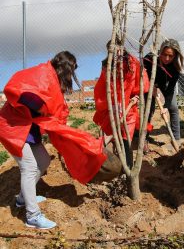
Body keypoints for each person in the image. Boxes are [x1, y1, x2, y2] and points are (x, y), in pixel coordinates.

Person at [0, 51, 111, 229]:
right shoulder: (43, 75)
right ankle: (32, 216)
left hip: (29, 128)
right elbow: (17, 89)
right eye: (72, 70)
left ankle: (22, 198)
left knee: (43, 161)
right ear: (65, 68)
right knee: (29, 167)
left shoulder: (52, 78)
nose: (72, 75)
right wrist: (40, 108)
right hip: (13, 127)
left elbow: (56, 108)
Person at [93, 39, 149, 168]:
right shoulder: (106, 64)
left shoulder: (132, 62)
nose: (114, 53)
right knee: (110, 134)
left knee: (125, 137)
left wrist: (136, 96)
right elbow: (103, 87)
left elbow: (141, 83)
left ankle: (128, 166)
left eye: (117, 49)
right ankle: (112, 165)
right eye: (110, 51)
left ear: (122, 48)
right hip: (112, 106)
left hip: (128, 105)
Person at [144, 39, 184, 146]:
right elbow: (141, 74)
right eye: (164, 54)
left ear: (175, 56)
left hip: (163, 85)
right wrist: (150, 86)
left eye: (170, 56)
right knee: (148, 110)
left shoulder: (175, 69)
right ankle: (143, 139)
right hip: (147, 83)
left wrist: (166, 106)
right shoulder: (149, 59)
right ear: (160, 51)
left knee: (173, 107)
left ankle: (176, 139)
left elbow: (170, 89)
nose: (167, 58)